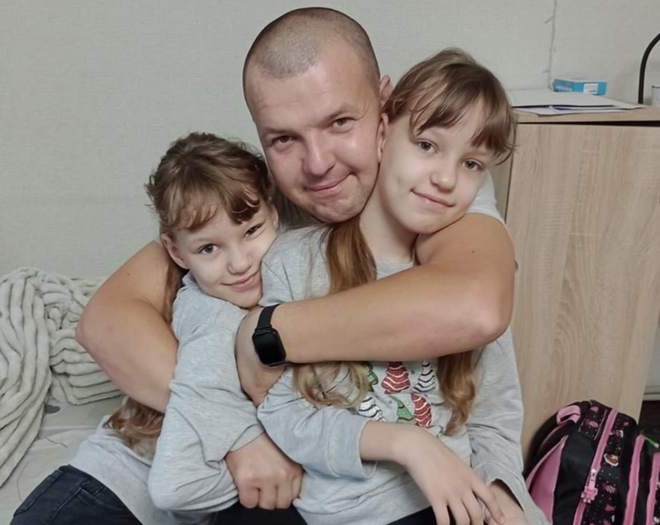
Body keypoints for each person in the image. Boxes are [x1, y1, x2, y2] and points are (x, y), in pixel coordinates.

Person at [77, 6, 516, 515]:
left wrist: (264, 334)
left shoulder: (438, 186)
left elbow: (477, 313)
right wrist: (243, 434)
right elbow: (104, 321)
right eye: (283, 139)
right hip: (155, 457)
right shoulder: (249, 203)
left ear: (385, 109)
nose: (317, 164)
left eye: (340, 122)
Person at [254, 49, 543, 525]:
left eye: (472, 163)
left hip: (461, 503)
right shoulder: (295, 261)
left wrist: (502, 493)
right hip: (354, 512)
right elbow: (281, 412)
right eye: (427, 145)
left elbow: (494, 416)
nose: (446, 178)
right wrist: (408, 444)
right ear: (383, 132)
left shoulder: (465, 279)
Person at [11, 133, 297, 524]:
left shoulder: (301, 272)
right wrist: (239, 434)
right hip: (122, 477)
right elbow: (99, 324)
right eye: (209, 248)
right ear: (176, 251)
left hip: (223, 497)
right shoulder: (203, 304)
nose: (240, 263)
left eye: (250, 232)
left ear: (274, 215)